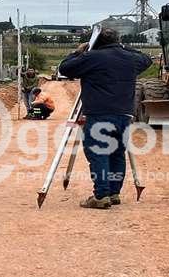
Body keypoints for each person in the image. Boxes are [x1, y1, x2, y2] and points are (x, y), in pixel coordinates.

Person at [57, 29, 152, 209]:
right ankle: (114, 193)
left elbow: (65, 68)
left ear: (96, 42)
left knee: (99, 152)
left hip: (99, 114)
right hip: (124, 115)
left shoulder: (92, 57)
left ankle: (101, 195)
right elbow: (146, 58)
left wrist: (78, 52)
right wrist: (124, 48)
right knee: (117, 153)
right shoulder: (130, 58)